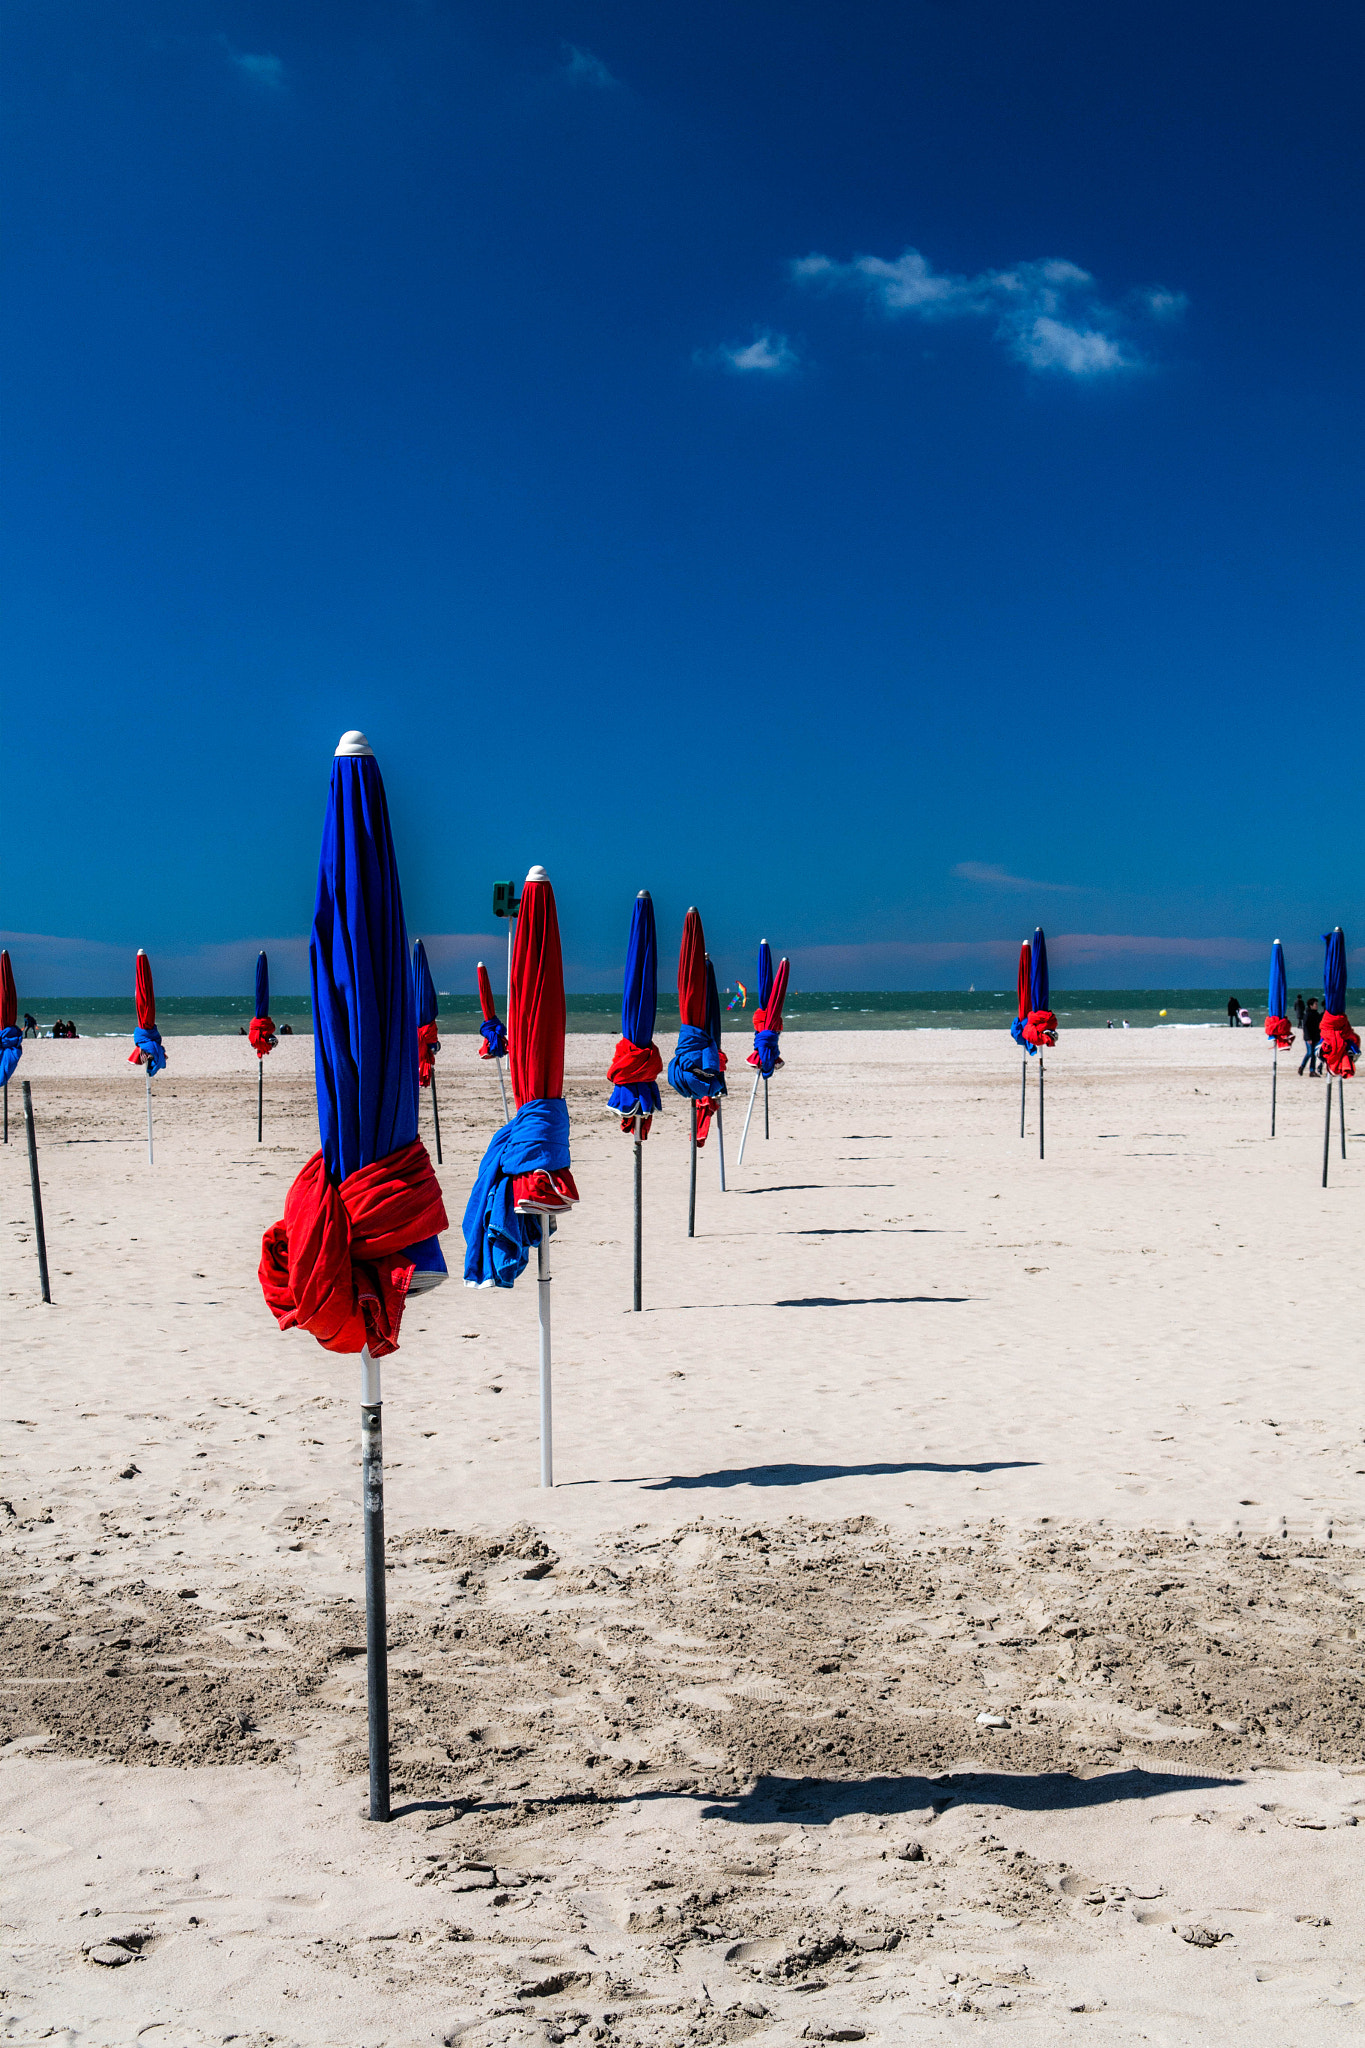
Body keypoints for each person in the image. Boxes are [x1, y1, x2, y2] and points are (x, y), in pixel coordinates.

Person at [1299, 1000, 1322, 1076]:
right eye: (1315, 1004)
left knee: (1314, 1054)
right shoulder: (1307, 1015)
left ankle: (1312, 1071)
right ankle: (1302, 1066)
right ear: (1311, 1006)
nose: (1317, 1005)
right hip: (1309, 1037)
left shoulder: (1317, 1014)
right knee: (1310, 1053)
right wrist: (1308, 1038)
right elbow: (1305, 1027)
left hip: (1316, 1037)